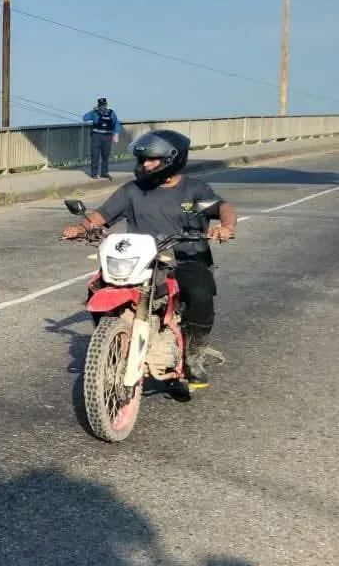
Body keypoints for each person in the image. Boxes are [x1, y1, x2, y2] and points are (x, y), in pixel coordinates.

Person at [62, 130, 234, 387]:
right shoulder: (134, 191)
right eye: (142, 160)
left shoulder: (193, 191)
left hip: (185, 259)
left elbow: (222, 208)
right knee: (98, 287)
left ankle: (193, 356)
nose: (144, 164)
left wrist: (226, 227)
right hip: (142, 260)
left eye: (151, 160)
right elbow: (103, 215)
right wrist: (81, 227)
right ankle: (113, 343)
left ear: (173, 159)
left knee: (199, 293)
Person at [82, 97, 122, 179]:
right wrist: (93, 110)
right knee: (95, 155)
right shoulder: (94, 113)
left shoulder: (111, 113)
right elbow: (85, 118)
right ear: (98, 105)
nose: (103, 107)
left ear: (106, 105)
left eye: (104, 105)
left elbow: (116, 123)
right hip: (96, 136)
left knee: (105, 155)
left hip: (107, 136)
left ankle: (104, 172)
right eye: (101, 105)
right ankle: (94, 173)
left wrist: (116, 134)